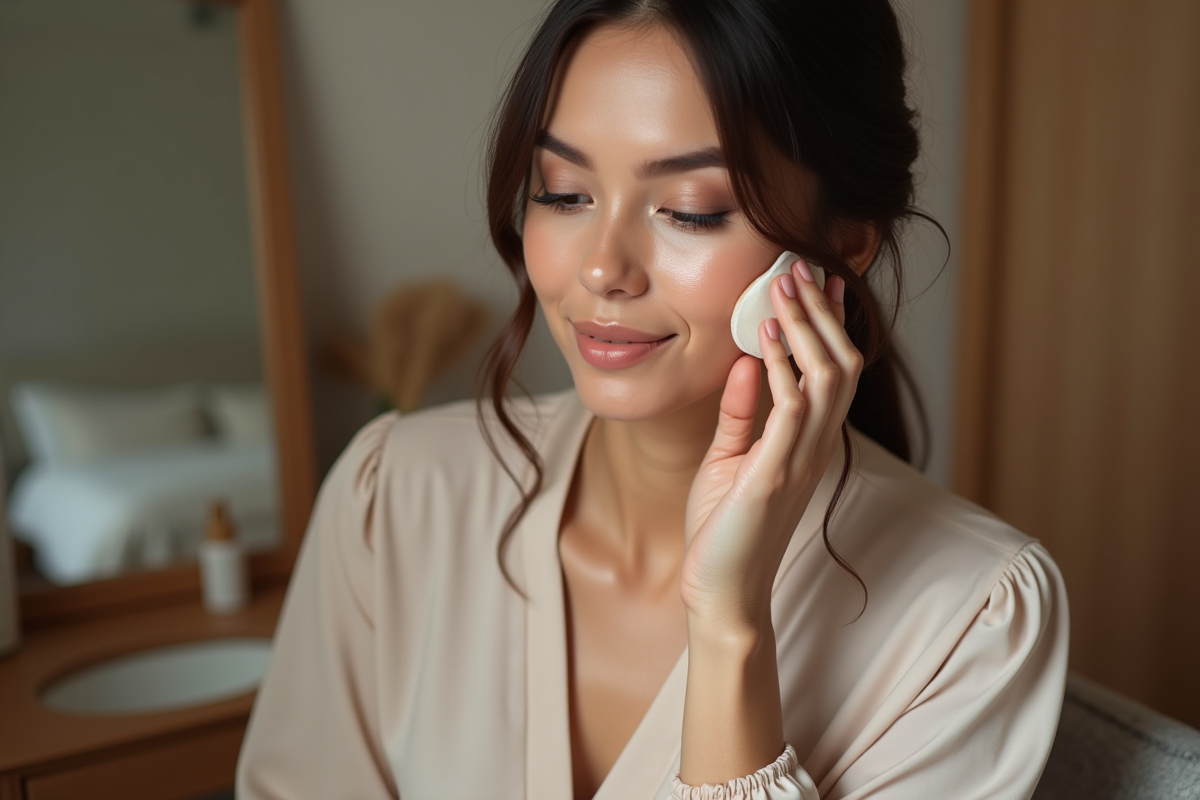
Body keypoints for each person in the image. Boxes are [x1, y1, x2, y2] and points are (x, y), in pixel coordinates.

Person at [236, 1, 1069, 798]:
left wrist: (729, 627)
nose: (603, 268)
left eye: (690, 211)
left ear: (840, 247)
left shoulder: (973, 621)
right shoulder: (396, 500)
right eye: (564, 192)